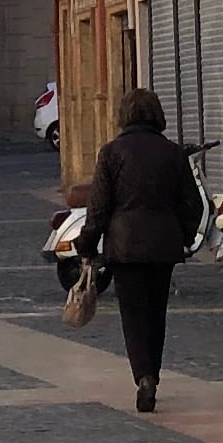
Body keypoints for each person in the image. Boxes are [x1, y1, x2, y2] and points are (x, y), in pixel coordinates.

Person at [80, 87, 198, 412]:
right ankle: (153, 376)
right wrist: (183, 237)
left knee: (133, 315)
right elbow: (193, 203)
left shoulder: (111, 153)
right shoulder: (173, 153)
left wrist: (87, 244)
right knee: (156, 313)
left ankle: (143, 375)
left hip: (125, 246)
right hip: (163, 245)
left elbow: (99, 208)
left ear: (124, 116)